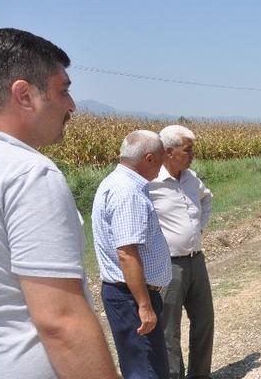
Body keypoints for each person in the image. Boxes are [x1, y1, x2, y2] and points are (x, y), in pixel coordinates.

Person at [0, 28, 118, 378]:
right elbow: (60, 321)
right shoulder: (27, 174)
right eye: (63, 90)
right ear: (24, 95)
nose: (72, 105)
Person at [92, 130, 172, 379]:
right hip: (132, 297)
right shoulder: (128, 192)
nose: (162, 164)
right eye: (161, 158)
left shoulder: (119, 183)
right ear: (148, 158)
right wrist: (144, 305)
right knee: (146, 370)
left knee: (144, 366)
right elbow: (127, 253)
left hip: (130, 295)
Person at [149, 125, 215, 379]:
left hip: (196, 260)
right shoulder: (151, 182)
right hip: (168, 265)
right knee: (168, 330)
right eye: (188, 150)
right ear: (168, 152)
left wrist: (197, 229)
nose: (192, 155)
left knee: (204, 321)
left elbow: (206, 198)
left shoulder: (191, 178)